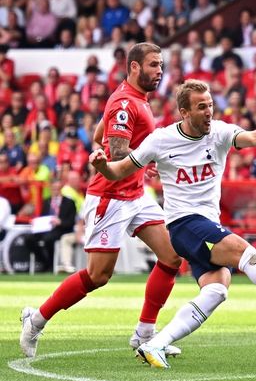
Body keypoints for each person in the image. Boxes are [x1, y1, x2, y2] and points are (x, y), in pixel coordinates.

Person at [89, 80, 256, 368]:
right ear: (184, 112)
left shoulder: (218, 132)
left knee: (217, 289)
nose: (208, 112)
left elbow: (253, 138)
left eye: (210, 105)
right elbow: (120, 169)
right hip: (183, 225)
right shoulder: (161, 139)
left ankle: (155, 344)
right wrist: (103, 166)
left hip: (205, 224)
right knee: (247, 254)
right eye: (201, 107)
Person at [21, 43, 183, 359]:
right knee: (98, 276)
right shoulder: (125, 102)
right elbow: (119, 151)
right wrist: (151, 159)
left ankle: (145, 334)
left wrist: (140, 163)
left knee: (172, 256)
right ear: (134, 67)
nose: (159, 70)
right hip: (110, 197)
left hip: (135, 194)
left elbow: (100, 136)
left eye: (161, 64)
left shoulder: (137, 99)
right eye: (153, 64)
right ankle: (36, 319)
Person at [23, 179, 77, 270]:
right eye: (53, 189)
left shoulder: (69, 202)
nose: (55, 191)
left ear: (61, 189)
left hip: (61, 229)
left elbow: (71, 222)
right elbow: (43, 217)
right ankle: (44, 261)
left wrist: (60, 222)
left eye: (57, 188)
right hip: (46, 229)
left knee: (48, 238)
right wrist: (36, 223)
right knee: (28, 238)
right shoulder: (46, 201)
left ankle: (51, 264)